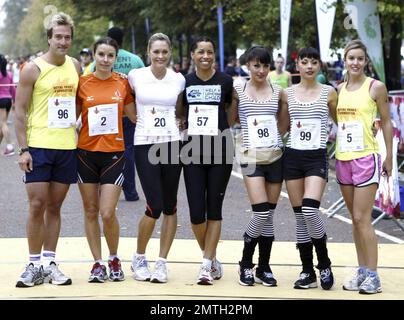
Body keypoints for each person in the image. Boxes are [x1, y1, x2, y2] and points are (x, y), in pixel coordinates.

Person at [14, 12, 81, 287]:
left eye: (67, 37)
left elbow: (78, 101)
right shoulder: (32, 69)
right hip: (39, 146)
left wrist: (73, 124)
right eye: (58, 37)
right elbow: (19, 111)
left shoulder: (75, 66)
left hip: (66, 147)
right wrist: (23, 149)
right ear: (49, 39)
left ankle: (50, 263)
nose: (63, 42)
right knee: (37, 205)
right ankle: (33, 265)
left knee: (55, 207)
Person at [76, 37, 136, 283]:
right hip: (86, 153)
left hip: (113, 154)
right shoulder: (82, 83)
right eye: (101, 54)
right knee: (90, 211)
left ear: (115, 57)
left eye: (110, 55)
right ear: (94, 55)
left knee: (107, 211)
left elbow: (135, 117)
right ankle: (97, 263)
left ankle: (113, 258)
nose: (105, 59)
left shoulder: (122, 83)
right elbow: (70, 116)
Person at [336, 39, 392, 294]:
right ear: (345, 60)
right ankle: (362, 272)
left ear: (366, 61)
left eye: (360, 58)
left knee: (362, 218)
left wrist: (389, 155)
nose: (355, 63)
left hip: (366, 158)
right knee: (354, 220)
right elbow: (336, 119)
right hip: (343, 159)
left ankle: (373, 275)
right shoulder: (339, 89)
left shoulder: (376, 87)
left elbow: (387, 122)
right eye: (351, 58)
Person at [128, 33, 185, 283]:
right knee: (154, 205)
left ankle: (161, 262)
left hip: (172, 143)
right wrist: (135, 119)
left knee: (170, 205)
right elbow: (126, 102)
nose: (160, 56)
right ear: (148, 52)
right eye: (156, 52)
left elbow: (180, 109)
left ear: (170, 52)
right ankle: (139, 257)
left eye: (164, 51)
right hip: (145, 143)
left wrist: (180, 122)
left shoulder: (178, 79)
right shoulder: (135, 76)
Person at [179, 37, 234, 285]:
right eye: (200, 51)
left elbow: (231, 112)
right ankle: (210, 257)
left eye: (210, 52)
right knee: (195, 214)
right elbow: (181, 112)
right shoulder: (185, 81)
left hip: (220, 151)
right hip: (192, 152)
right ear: (193, 54)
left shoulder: (225, 80)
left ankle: (205, 264)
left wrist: (223, 130)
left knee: (214, 208)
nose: (205, 56)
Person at [282, 47, 337, 290]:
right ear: (298, 66)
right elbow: (282, 126)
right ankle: (307, 271)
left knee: (310, 209)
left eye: (314, 62)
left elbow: (341, 122)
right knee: (299, 217)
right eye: (304, 62)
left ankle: (324, 264)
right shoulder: (287, 94)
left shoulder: (329, 93)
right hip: (292, 157)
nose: (309, 66)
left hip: (316, 157)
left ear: (319, 66)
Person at [232, 46, 285, 287]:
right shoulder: (238, 90)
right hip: (250, 157)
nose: (261, 70)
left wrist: (271, 138)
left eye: (265, 66)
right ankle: (245, 263)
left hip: (274, 155)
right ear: (248, 66)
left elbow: (283, 125)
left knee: (269, 215)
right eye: (256, 65)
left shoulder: (278, 91)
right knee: (261, 211)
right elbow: (231, 119)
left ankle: (264, 267)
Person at [85, 27, 144, 202]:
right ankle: (130, 192)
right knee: (128, 153)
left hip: (102, 114)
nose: (106, 59)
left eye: (110, 56)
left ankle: (104, 188)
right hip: (127, 114)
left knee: (103, 151)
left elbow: (87, 79)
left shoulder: (95, 62)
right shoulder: (135, 59)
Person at [0, 54, 16, 155]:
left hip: (1, 100)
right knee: (2, 123)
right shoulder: (9, 74)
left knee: (3, 123)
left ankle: (10, 146)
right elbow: (13, 88)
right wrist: (15, 100)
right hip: (8, 100)